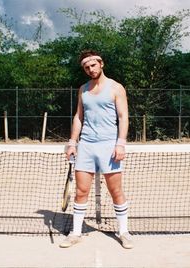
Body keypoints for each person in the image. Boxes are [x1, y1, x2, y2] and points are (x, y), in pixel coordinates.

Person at [60, 49, 133, 249]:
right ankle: (75, 233)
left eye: (93, 65)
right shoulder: (82, 89)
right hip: (86, 145)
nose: (90, 69)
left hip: (109, 146)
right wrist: (73, 142)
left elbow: (123, 117)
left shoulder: (116, 88)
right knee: (81, 191)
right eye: (86, 67)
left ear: (101, 63)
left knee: (115, 190)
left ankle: (124, 232)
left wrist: (121, 143)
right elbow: (78, 117)